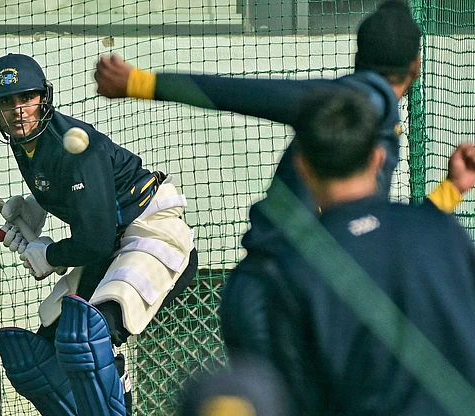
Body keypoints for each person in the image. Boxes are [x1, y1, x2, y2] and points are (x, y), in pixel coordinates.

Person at [93, 0, 473, 360]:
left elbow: (388, 231)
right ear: (416, 67)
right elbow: (245, 94)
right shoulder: (348, 104)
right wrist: (139, 83)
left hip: (290, 292)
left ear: (358, 58)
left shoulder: (370, 119)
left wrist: (451, 189)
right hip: (281, 294)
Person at [0, 53, 198, 416]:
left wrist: (50, 254)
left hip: (152, 231)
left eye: (26, 98)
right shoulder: (26, 144)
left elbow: (94, 240)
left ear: (43, 99)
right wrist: (35, 209)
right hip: (113, 241)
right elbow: (84, 206)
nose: (18, 110)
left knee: (89, 337)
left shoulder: (73, 146)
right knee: (44, 352)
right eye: (6, 102)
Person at [261, 88, 475, 416]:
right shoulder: (442, 231)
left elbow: (297, 402)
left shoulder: (291, 269)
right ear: (378, 158)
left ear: (302, 167)